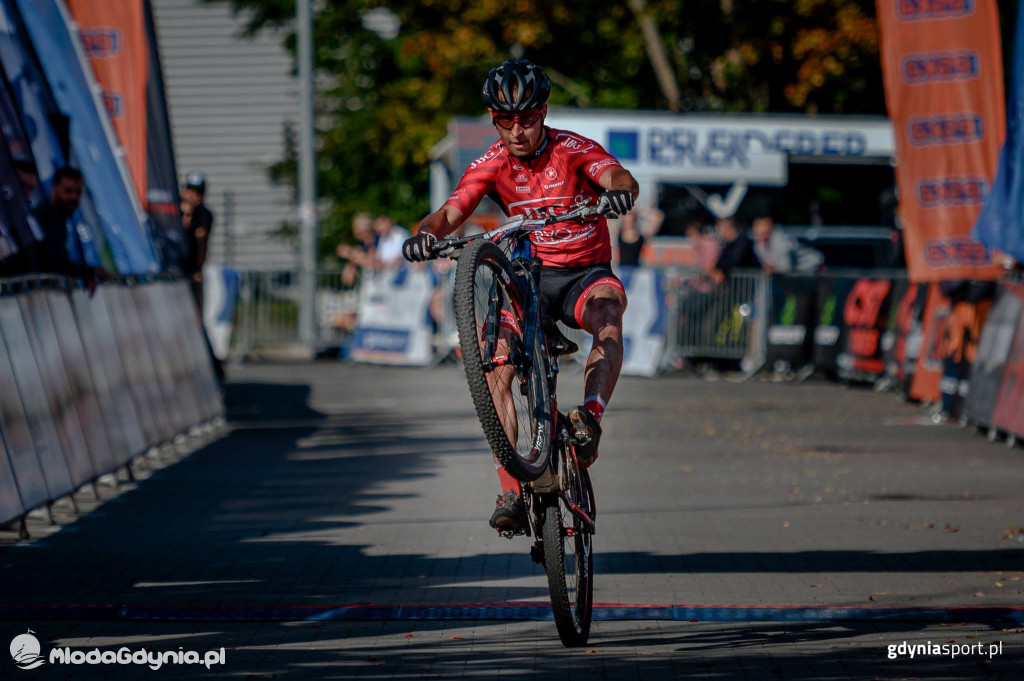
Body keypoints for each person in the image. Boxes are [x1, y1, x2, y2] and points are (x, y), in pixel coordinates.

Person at [401, 58, 639, 533]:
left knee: (609, 317)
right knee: (498, 369)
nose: (516, 130)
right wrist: (425, 234)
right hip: (529, 277)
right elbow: (449, 213)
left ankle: (590, 417)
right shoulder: (490, 164)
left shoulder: (572, 150)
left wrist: (619, 194)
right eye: (504, 121)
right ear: (494, 120)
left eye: (526, 118)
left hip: (583, 272)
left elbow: (618, 177)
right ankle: (510, 486)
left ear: (543, 112)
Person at [31, 167, 107, 291]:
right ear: (54, 189)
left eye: (78, 192)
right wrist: (89, 272)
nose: (73, 197)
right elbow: (57, 263)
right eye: (68, 191)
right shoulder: (50, 217)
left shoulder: (56, 216)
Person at [751, 212, 822, 274]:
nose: (762, 237)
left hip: (813, 267)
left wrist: (773, 269)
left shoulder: (781, 240)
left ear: (770, 230)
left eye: (765, 233)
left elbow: (787, 266)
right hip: (796, 273)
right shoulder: (758, 244)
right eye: (759, 234)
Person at [182, 171, 214, 308]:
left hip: (192, 268)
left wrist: (198, 268)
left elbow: (201, 241)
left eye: (197, 192)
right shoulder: (177, 211)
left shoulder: (203, 214)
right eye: (191, 190)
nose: (194, 195)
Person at [709, 216, 759, 285]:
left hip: (752, 283)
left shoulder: (743, 241)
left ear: (728, 229)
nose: (719, 233)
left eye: (719, 230)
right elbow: (721, 260)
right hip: (740, 285)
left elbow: (735, 259)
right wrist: (716, 269)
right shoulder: (728, 244)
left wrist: (720, 269)